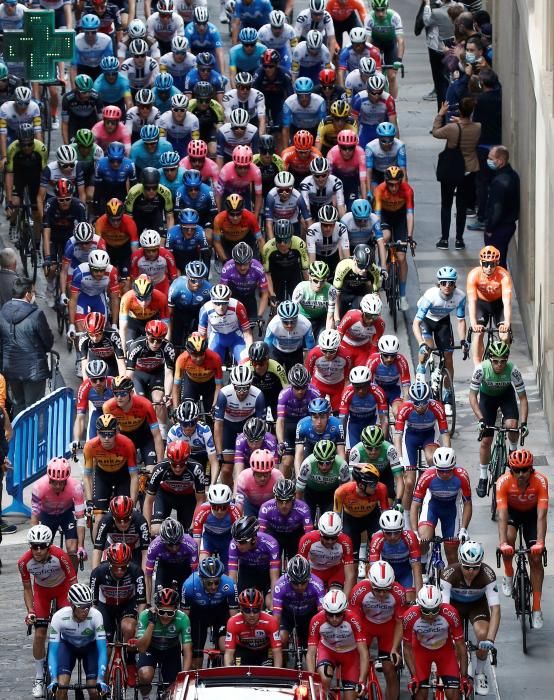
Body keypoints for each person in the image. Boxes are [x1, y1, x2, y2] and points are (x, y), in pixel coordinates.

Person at [18, 524, 77, 699]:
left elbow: (73, 582)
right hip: (42, 593)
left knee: (65, 630)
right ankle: (38, 678)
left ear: (48, 545)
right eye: (34, 546)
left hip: (62, 589)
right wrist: (30, 611)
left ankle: (62, 665)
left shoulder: (61, 556)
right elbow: (27, 588)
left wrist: (74, 607)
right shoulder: (23, 562)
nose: (37, 550)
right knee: (39, 633)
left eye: (42, 546)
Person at [468, 342, 528, 499]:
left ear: (507, 360)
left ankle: (512, 451)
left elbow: (522, 399)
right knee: (486, 439)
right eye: (496, 361)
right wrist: (481, 419)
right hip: (487, 399)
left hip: (506, 397)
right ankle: (483, 477)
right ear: (490, 359)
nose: (499, 364)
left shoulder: (513, 370)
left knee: (512, 426)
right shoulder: (481, 369)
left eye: (503, 361)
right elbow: (472, 397)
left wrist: (524, 424)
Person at [497, 449, 548, 629]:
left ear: (531, 469)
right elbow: (502, 515)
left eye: (525, 470)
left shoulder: (540, 481)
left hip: (532, 515)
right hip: (512, 513)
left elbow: (542, 515)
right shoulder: (503, 482)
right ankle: (509, 574)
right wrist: (503, 543)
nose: (521, 474)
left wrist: (540, 542)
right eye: (516, 470)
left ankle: (536, 608)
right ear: (511, 470)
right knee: (509, 538)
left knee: (535, 559)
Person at [441, 541, 501, 696]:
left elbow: (495, 610)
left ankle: (480, 673)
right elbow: (444, 609)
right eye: (467, 566)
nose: (471, 571)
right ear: (460, 561)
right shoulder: (449, 574)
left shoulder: (488, 574)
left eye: (475, 567)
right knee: (452, 640)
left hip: (477, 606)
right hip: (454, 607)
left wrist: (490, 640)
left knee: (482, 635)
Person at [392, 584, 470, 700]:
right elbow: (407, 648)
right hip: (421, 654)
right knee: (420, 695)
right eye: (426, 611)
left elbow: (461, 646)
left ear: (440, 605)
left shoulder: (451, 613)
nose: (430, 616)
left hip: (445, 653)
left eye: (434, 611)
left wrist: (464, 677)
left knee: (453, 694)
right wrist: (414, 676)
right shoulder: (409, 616)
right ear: (419, 606)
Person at [412, 266, 467, 414]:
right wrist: (420, 343)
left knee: (448, 357)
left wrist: (463, 341)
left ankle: (448, 395)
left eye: (450, 283)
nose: (447, 286)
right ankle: (421, 371)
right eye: (443, 283)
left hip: (442, 321)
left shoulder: (460, 297)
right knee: (428, 348)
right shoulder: (430, 296)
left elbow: (461, 321)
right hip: (426, 321)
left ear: (455, 284)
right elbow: (416, 323)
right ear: (439, 284)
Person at [350, 559, 406, 700]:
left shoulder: (399, 592)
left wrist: (394, 649)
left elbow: (400, 623)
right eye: (377, 590)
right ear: (370, 583)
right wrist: (362, 651)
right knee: (359, 665)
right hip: (365, 627)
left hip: (388, 628)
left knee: (390, 669)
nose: (382, 594)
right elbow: (353, 622)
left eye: (386, 590)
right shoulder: (359, 591)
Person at [0, 277, 54, 415]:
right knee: (35, 409)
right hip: (34, 372)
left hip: (11, 370)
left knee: (18, 407)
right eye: (33, 292)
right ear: (27, 294)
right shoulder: (36, 315)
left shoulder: (2, 313)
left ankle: (18, 436)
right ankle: (35, 437)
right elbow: (48, 342)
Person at [433, 97, 481, 251]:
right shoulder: (478, 127)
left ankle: (444, 239)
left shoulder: (452, 128)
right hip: (469, 170)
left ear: (459, 110)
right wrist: (461, 121)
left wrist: (441, 114)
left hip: (451, 169)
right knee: (461, 206)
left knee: (446, 205)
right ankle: (459, 239)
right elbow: (468, 126)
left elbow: (436, 132)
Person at [410, 447, 472, 567]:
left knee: (452, 555)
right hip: (432, 507)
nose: (444, 474)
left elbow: (467, 504)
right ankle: (423, 566)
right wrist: (414, 531)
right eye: (441, 470)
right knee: (423, 539)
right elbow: (415, 505)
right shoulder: (427, 475)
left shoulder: (462, 476)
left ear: (453, 467)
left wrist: (464, 528)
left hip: (451, 510)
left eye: (448, 470)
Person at [47, 583, 109, 699]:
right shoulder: (59, 617)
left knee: (94, 689)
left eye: (88, 605)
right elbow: (53, 651)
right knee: (61, 687)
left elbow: (102, 649)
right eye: (81, 607)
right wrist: (53, 679)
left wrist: (100, 679)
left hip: (90, 647)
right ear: (72, 605)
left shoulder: (96, 615)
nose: (86, 610)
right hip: (67, 647)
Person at [306, 589, 369, 700]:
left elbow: (363, 652)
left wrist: (362, 680)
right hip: (328, 651)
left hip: (350, 655)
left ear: (344, 611)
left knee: (350, 698)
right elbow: (311, 653)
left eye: (338, 614)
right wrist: (312, 679)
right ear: (325, 611)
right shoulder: (316, 620)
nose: (334, 619)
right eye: (330, 614)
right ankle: (326, 694)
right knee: (324, 679)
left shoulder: (354, 619)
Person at [132, 587, 192, 695]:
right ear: (156, 608)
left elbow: (187, 651)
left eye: (170, 613)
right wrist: (151, 624)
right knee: (145, 675)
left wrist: (183, 677)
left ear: (176, 610)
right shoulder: (145, 615)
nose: (165, 616)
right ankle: (145, 697)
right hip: (150, 648)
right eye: (162, 612)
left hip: (171, 650)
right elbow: (141, 648)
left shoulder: (183, 619)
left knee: (173, 687)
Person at [31, 457, 86, 574]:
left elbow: (80, 517)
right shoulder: (38, 487)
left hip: (67, 513)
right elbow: (35, 516)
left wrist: (81, 546)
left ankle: (72, 579)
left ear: (67, 480)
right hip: (47, 515)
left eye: (61, 483)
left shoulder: (76, 487)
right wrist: (34, 542)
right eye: (54, 482)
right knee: (43, 549)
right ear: (49, 478)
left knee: (72, 549)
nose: (57, 486)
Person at [181, 557, 238, 669]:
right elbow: (185, 617)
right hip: (198, 614)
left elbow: (234, 616)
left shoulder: (229, 584)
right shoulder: (189, 586)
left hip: (220, 612)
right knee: (196, 657)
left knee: (224, 647)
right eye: (209, 583)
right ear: (201, 579)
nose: (213, 586)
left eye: (217, 582)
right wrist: (185, 641)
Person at [143, 440, 207, 535]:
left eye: (182, 464)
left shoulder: (197, 469)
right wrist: (146, 528)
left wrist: (194, 524)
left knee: (190, 533)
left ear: (187, 460)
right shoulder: (160, 468)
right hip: (165, 496)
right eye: (174, 464)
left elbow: (200, 500)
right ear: (169, 461)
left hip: (187, 499)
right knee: (155, 530)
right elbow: (148, 500)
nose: (178, 468)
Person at [466, 246, 513, 365]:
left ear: (497, 263)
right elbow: (472, 302)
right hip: (482, 305)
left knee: (504, 335)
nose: (488, 268)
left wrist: (507, 322)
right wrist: (473, 323)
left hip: (498, 305)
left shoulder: (504, 275)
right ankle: (477, 366)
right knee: (478, 333)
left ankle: (502, 361)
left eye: (492, 264)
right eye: (486, 264)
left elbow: (507, 302)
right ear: (480, 262)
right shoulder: (473, 275)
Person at [369, 509, 422, 601]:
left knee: (409, 601)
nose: (393, 537)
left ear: (402, 529)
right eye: (388, 533)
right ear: (382, 530)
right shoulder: (377, 539)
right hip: (386, 576)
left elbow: (417, 570)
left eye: (397, 532)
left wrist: (420, 599)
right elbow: (372, 571)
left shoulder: (410, 537)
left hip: (405, 574)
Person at [299, 511, 356, 595]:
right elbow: (300, 567)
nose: (330, 541)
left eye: (334, 538)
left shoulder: (345, 541)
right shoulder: (307, 539)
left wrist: (345, 600)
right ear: (320, 532)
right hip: (314, 572)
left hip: (335, 572)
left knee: (335, 597)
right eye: (326, 537)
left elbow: (350, 574)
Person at [224, 588, 283, 666]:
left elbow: (277, 651)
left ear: (261, 608)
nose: (252, 615)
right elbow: (229, 653)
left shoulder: (271, 621)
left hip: (264, 651)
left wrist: (277, 675)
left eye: (255, 610)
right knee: (240, 674)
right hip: (244, 650)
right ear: (241, 609)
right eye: (247, 610)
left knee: (268, 672)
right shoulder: (233, 622)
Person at [483, 145, 520, 267]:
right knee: (499, 260)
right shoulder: (512, 175)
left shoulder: (500, 182)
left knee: (494, 263)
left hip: (499, 228)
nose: (488, 160)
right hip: (507, 225)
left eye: (491, 158)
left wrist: (489, 228)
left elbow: (496, 209)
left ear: (500, 161)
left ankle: (500, 285)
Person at [296, 439, 350, 521]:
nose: (324, 467)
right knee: (307, 520)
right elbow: (299, 490)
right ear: (316, 459)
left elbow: (347, 488)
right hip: (310, 493)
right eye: (321, 463)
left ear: (333, 460)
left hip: (330, 494)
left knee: (329, 522)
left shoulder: (342, 465)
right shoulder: (307, 464)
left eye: (328, 463)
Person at [92, 495, 150, 571]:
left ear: (131, 515)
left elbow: (145, 552)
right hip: (113, 548)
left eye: (126, 519)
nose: (122, 524)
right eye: (118, 520)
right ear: (113, 517)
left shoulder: (140, 521)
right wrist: (95, 576)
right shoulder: (105, 521)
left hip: (134, 550)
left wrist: (144, 578)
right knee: (105, 570)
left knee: (137, 572)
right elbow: (97, 550)